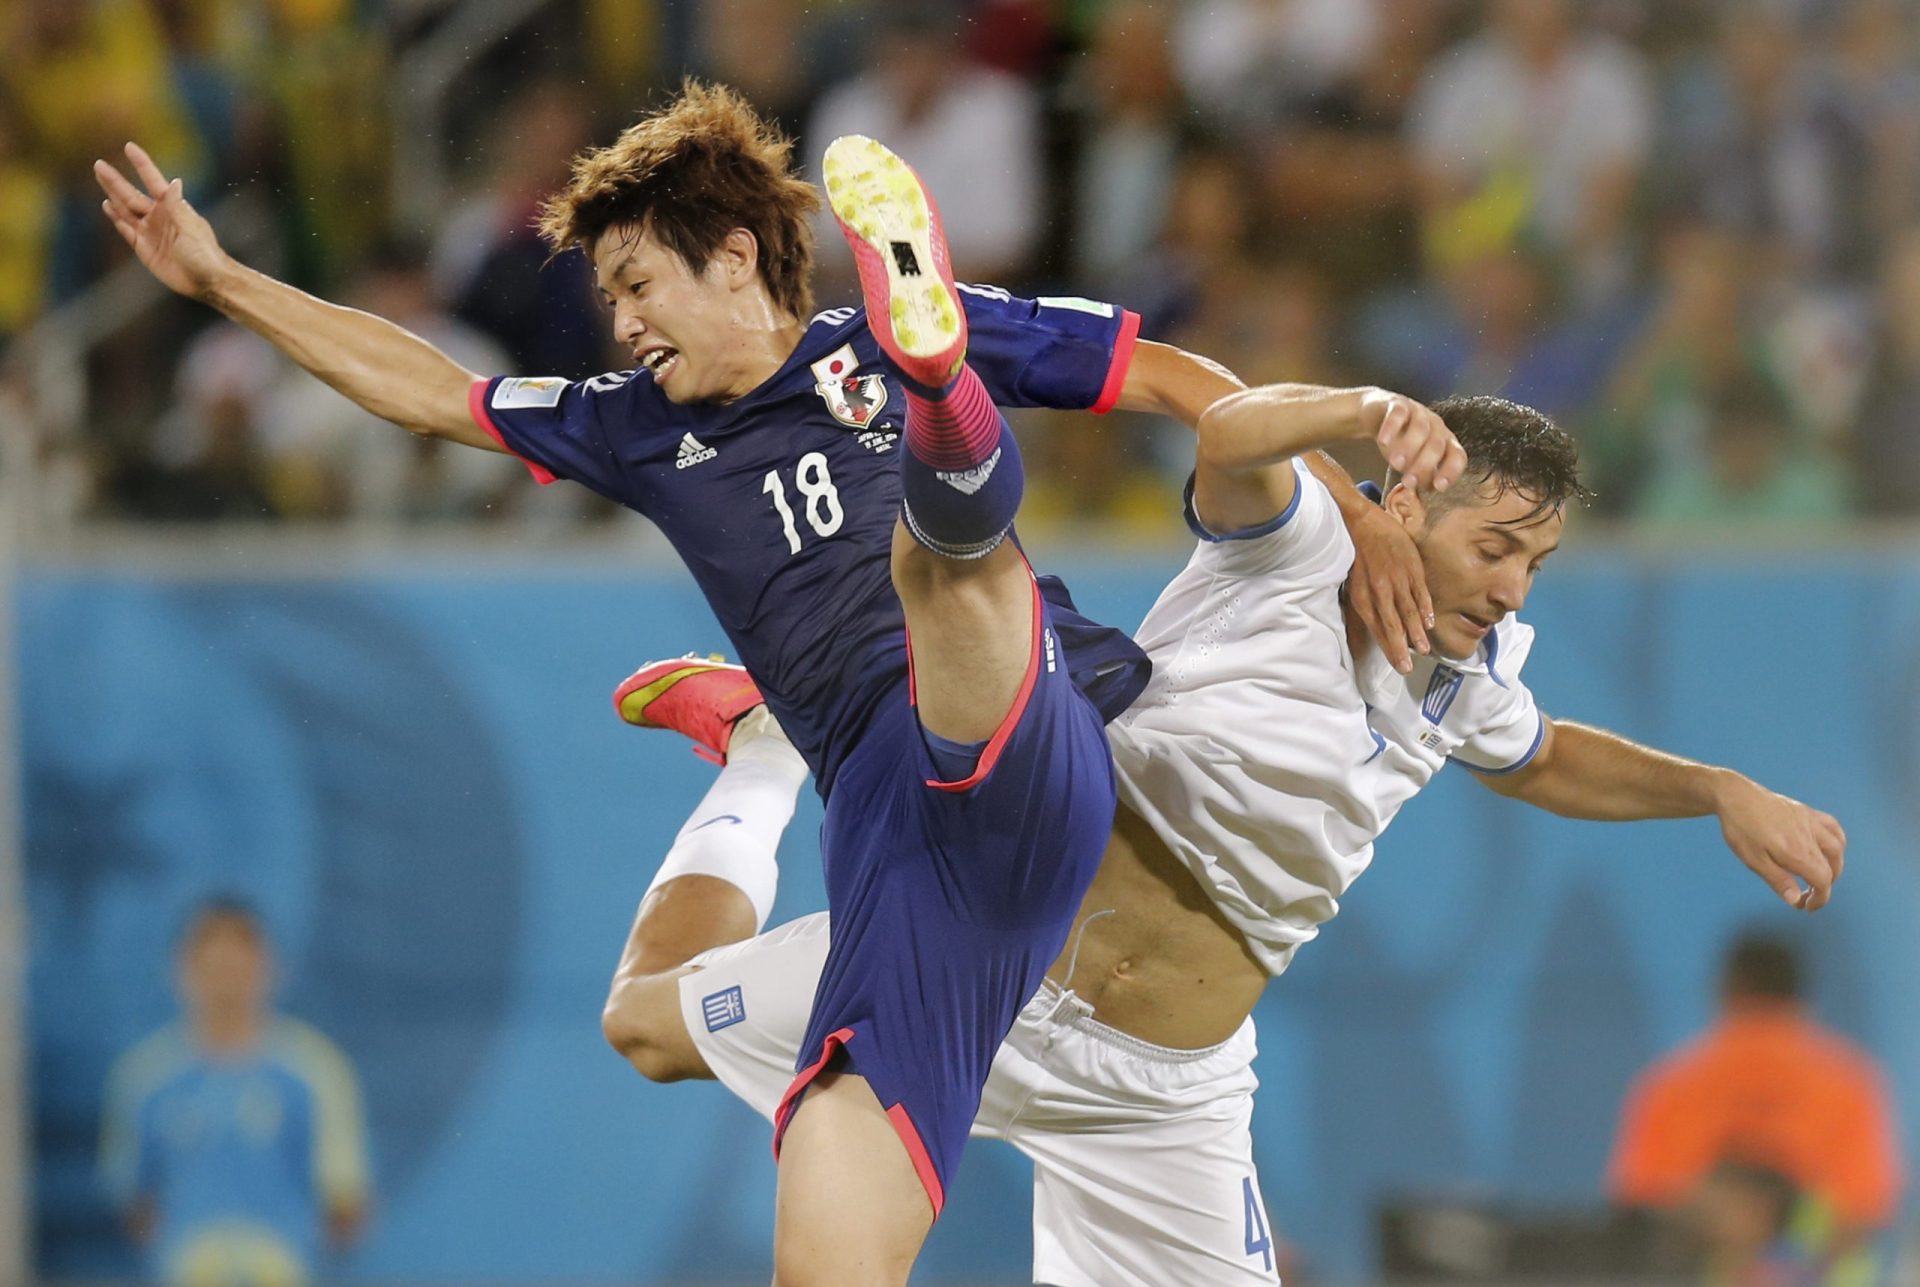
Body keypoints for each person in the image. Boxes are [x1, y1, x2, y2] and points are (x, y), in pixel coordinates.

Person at [93, 84, 1464, 1285]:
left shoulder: (860, 333)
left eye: (637, 284)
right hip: (901, 843)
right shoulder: (634, 428)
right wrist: (222, 279)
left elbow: (1189, 390)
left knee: (952, 582)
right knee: (804, 1216)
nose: (619, 321)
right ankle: (788, 701)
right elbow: (428, 391)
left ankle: (944, 404)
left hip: (1036, 722)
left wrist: (1357, 500)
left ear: (737, 251)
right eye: (607, 298)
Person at [602, 393, 1847, 1287]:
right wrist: (1356, 410)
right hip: (975, 969)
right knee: (644, 1028)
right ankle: (763, 761)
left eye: (1540, 561)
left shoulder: (1474, 669)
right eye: (1497, 546)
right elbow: (1227, 437)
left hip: (1162, 1097)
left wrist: (1720, 787)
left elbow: (1546, 756)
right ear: (1408, 497)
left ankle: (769, 753)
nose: (1516, 587)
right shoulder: (1301, 539)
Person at [99, 897, 370, 1287]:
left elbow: (346, 1204)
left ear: (269, 968)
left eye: (238, 966)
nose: (226, 980)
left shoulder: (318, 1072)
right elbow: (135, 1200)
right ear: (182, 970)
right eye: (212, 966)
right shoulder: (143, 1078)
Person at [1610, 933, 1903, 1287]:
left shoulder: (1670, 1084)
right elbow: (1867, 1208)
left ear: (1725, 988)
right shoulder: (1852, 1083)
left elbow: (1638, 1204)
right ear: (1800, 993)